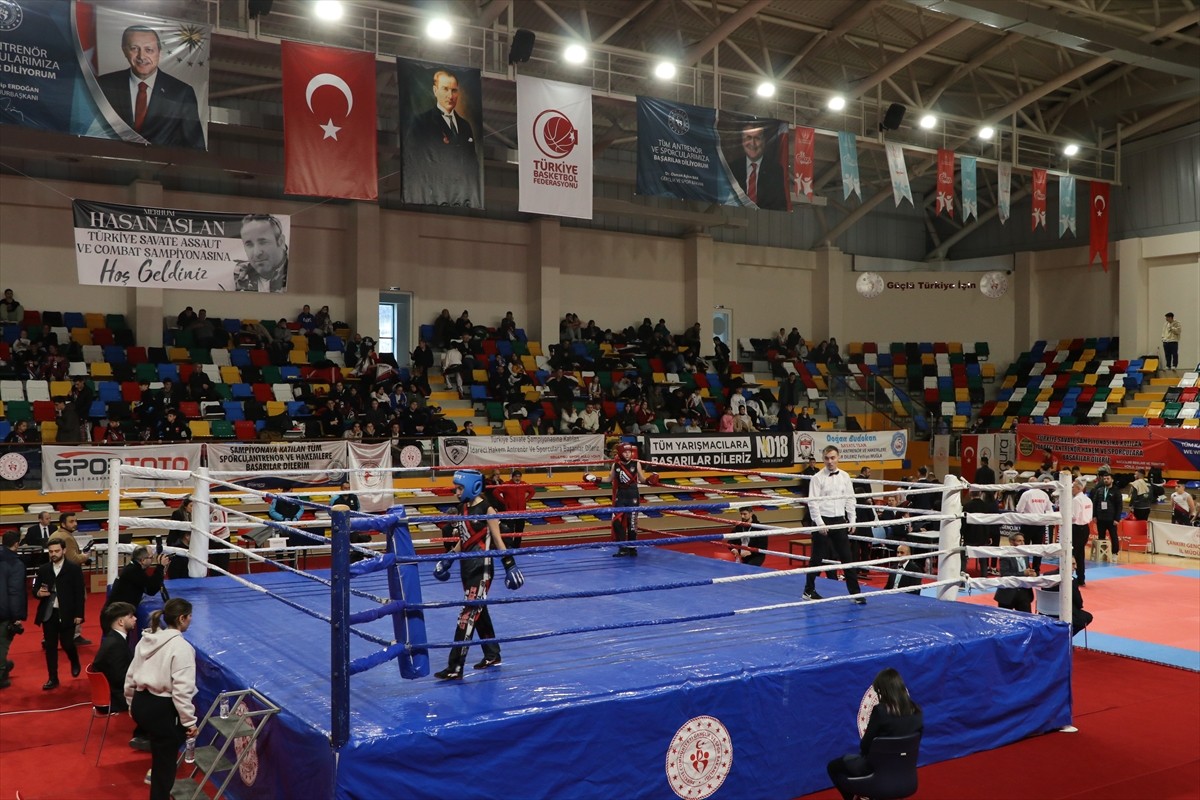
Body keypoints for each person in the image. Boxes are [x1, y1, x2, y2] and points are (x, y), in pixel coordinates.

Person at [431, 470, 523, 680]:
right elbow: (464, 539)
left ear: (473, 487)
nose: (456, 492)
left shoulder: (487, 509)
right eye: (456, 488)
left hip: (482, 569)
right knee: (479, 611)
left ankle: (455, 666)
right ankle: (492, 654)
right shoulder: (463, 508)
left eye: (460, 488)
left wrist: (510, 565)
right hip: (466, 568)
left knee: (468, 614)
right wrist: (448, 559)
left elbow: (498, 540)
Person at [125, 597, 198, 800]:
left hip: (141, 704)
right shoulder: (182, 648)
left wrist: (131, 704)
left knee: (161, 750)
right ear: (182, 618)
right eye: (190, 616)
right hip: (161, 709)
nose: (191, 620)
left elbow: (130, 676)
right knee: (166, 762)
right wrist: (189, 722)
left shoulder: (146, 639)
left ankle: (155, 772)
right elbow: (182, 691)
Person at [96, 25, 205, 149]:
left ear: (159, 53)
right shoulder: (104, 85)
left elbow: (196, 147)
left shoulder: (181, 93)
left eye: (149, 50)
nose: (141, 56)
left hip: (162, 161)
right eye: (134, 48)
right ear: (124, 51)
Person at [826, 668, 923, 799]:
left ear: (883, 691)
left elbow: (865, 746)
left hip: (875, 769)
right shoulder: (917, 712)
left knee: (833, 767)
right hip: (905, 773)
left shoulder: (880, 711)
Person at [404, 69, 481, 208]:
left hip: (463, 198)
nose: (450, 96)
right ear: (435, 91)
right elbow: (413, 162)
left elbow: (472, 164)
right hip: (433, 197)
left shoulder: (465, 125)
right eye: (445, 89)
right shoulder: (421, 122)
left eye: (454, 90)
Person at [803, 446, 866, 604]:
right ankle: (808, 590)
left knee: (847, 558)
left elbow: (850, 499)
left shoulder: (845, 476)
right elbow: (812, 503)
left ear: (838, 457)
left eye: (832, 458)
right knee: (817, 558)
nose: (830, 461)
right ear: (823, 459)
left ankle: (855, 593)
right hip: (822, 520)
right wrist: (819, 523)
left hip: (839, 521)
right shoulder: (817, 478)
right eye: (827, 458)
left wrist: (852, 519)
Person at [92, 601, 147, 749]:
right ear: (121, 622)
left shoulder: (115, 639)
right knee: (155, 696)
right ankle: (144, 736)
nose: (135, 618)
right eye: (131, 616)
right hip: (115, 696)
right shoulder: (115, 644)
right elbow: (120, 678)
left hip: (113, 690)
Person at [33, 539, 85, 690]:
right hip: (49, 613)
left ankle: (74, 660)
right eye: (51, 552)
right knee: (50, 647)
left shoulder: (73, 569)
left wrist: (79, 614)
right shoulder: (43, 569)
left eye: (56, 551)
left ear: (64, 551)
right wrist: (38, 593)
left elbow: (79, 593)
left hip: (68, 613)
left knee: (67, 643)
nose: (53, 554)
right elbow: (35, 589)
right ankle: (53, 678)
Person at [590, 443, 657, 557]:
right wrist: (595, 478)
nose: (627, 454)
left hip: (632, 495)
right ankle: (623, 548)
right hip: (620, 495)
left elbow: (642, 479)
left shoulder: (636, 463)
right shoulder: (615, 465)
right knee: (616, 522)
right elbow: (609, 479)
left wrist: (650, 481)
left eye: (629, 452)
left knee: (632, 523)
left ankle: (632, 548)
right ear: (621, 453)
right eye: (625, 452)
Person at [104, 545, 169, 632]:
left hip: (115, 613)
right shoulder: (134, 571)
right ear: (143, 560)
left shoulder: (133, 568)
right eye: (151, 557)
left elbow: (149, 583)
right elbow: (151, 589)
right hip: (116, 617)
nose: (153, 559)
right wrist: (160, 567)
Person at [0, 530, 27, 689]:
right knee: (2, 644)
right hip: (4, 611)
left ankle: (4, 666)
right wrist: (16, 616)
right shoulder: (16, 564)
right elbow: (15, 592)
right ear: (16, 544)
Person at [233, 214, 288, 292]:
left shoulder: (296, 275)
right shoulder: (240, 274)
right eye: (249, 245)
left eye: (263, 242)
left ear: (281, 242)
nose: (257, 253)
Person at [490, 469, 537, 549]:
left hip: (521, 512)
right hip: (510, 511)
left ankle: (516, 547)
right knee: (510, 530)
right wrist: (504, 501)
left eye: (519, 477)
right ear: (512, 477)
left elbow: (532, 491)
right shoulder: (507, 484)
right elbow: (495, 492)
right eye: (516, 477)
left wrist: (526, 499)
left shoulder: (523, 484)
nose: (518, 478)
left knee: (520, 530)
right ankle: (509, 546)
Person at [1015, 482, 1054, 573]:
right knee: (1038, 548)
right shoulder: (1044, 494)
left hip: (1027, 524)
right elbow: (1049, 510)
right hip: (1039, 524)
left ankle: (1025, 568)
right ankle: (1036, 569)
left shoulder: (1026, 494)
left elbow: (1019, 509)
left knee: (1024, 547)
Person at [994, 532, 1037, 612]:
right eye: (1019, 541)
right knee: (1005, 618)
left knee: (1026, 618)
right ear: (1011, 542)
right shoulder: (1005, 556)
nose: (1022, 543)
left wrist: (1032, 573)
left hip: (1024, 593)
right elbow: (1004, 574)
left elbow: (1027, 569)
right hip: (1008, 593)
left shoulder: (1025, 555)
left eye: (1023, 541)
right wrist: (1023, 573)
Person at [1089, 469, 1122, 560]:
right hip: (1100, 518)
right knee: (1101, 537)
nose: (1106, 480)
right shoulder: (1099, 490)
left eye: (1108, 479)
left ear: (1112, 480)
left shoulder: (1116, 491)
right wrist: (1094, 516)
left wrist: (1117, 519)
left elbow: (1119, 506)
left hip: (1111, 519)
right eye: (1104, 479)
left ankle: (1115, 553)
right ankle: (1102, 554)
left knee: (1114, 537)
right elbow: (1095, 503)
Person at [1068, 478, 1094, 586]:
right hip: (1085, 528)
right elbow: (1090, 516)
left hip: (1077, 528)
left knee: (1072, 553)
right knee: (1080, 554)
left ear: (1078, 488)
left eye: (1073, 487)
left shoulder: (1076, 500)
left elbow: (1074, 516)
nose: (1071, 489)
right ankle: (1081, 578)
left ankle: (1068, 577)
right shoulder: (1088, 499)